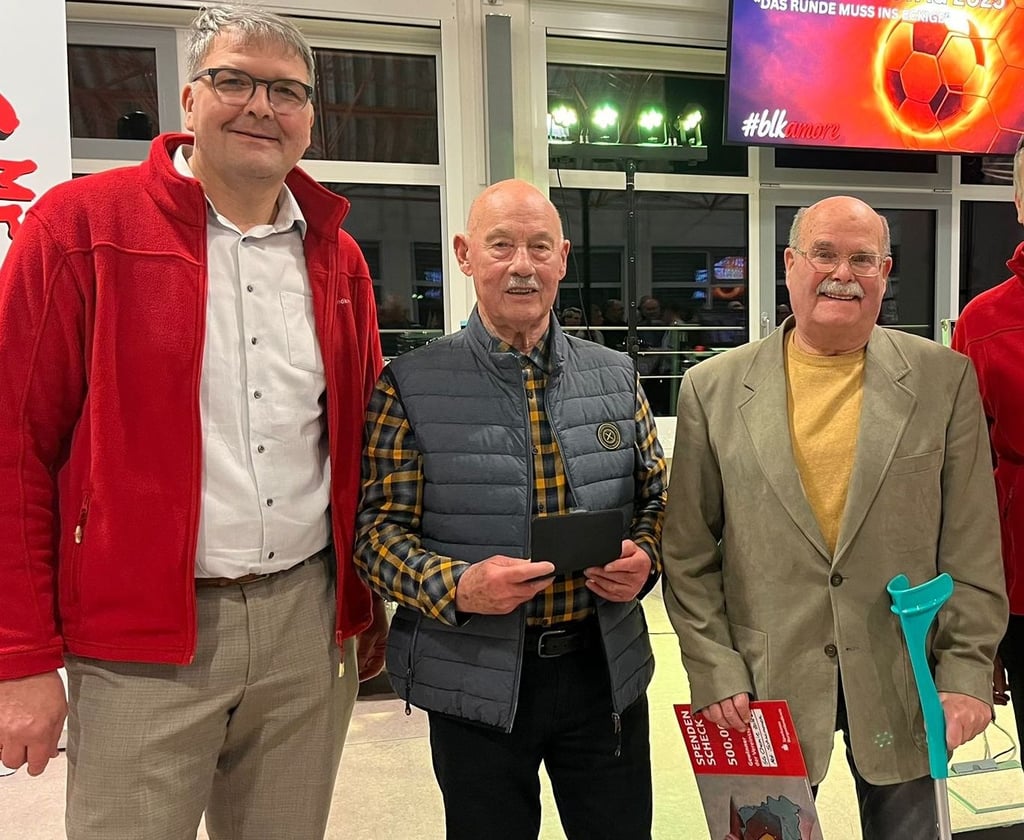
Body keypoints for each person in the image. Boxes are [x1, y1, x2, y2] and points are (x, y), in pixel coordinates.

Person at [0, 6, 388, 839]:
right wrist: (22, 658)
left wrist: (367, 608)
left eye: (286, 91)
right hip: (137, 642)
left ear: (310, 119)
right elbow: (13, 452)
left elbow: (362, 447)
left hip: (304, 626)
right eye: (234, 80)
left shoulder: (335, 256)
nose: (260, 106)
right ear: (188, 97)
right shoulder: (81, 230)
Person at [662, 195, 1007, 840]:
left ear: (885, 271)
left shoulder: (944, 380)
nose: (841, 272)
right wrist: (714, 668)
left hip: (907, 672)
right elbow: (686, 553)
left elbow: (972, 544)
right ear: (791, 262)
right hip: (760, 680)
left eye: (862, 259)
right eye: (824, 253)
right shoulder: (711, 388)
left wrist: (966, 671)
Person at [355, 178, 667, 840]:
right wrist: (458, 586)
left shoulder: (616, 376)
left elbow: (656, 499)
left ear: (563, 257)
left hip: (604, 669)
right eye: (502, 246)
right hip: (475, 676)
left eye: (539, 246)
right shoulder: (410, 385)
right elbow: (376, 535)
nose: (522, 265)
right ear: (466, 254)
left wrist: (647, 557)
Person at [951, 134, 1024, 749]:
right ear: (1020, 202)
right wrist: (977, 632)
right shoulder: (984, 321)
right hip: (1020, 583)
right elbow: (964, 484)